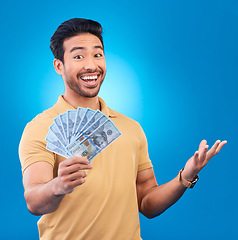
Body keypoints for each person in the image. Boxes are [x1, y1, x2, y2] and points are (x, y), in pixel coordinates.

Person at [19, 18, 227, 240]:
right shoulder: (41, 128)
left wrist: (185, 176)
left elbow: (147, 203)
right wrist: (57, 186)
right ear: (59, 66)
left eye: (97, 54)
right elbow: (33, 201)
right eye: (78, 56)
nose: (91, 65)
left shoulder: (130, 128)